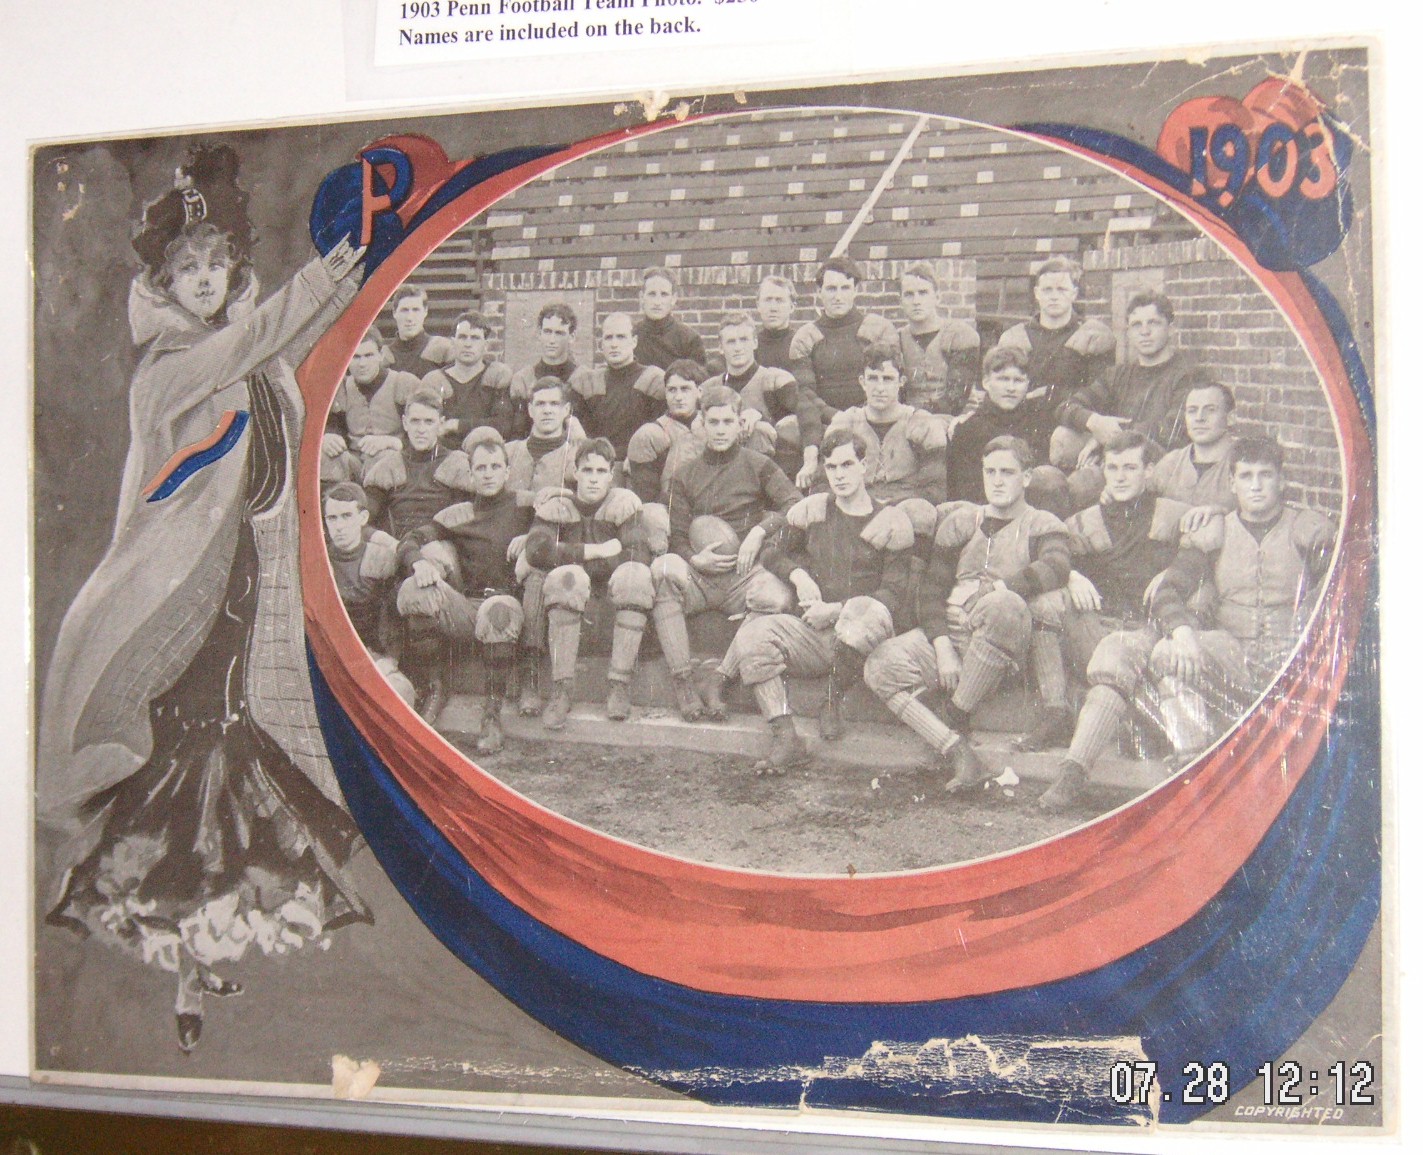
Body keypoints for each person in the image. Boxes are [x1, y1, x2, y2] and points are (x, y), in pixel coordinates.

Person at [40, 144, 369, 1052]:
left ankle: (201, 943)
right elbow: (258, 336)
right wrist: (327, 275)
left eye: (215, 265)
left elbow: (276, 354)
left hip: (243, 583)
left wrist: (350, 275)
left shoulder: (245, 356)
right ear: (162, 285)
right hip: (179, 601)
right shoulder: (171, 367)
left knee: (232, 759)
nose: (204, 280)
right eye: (185, 270)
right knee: (190, 772)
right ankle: (187, 965)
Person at [864, 436, 1071, 792]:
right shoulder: (963, 522)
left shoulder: (1041, 523)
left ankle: (955, 714)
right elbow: (932, 593)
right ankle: (956, 749)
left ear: (1026, 477)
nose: (997, 481)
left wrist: (999, 588)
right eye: (990, 472)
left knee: (1004, 605)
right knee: (880, 666)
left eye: (1008, 472)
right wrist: (942, 646)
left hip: (1004, 644)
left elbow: (1057, 565)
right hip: (955, 633)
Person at [720, 429, 914, 773]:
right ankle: (786, 736)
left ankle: (832, 699)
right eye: (831, 467)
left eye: (847, 465)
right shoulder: (815, 509)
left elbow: (894, 594)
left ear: (864, 466)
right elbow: (772, 551)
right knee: (752, 635)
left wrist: (836, 610)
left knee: (871, 612)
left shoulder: (890, 520)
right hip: (816, 634)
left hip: (863, 635)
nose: (839, 475)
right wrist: (799, 575)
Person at [1020, 432, 1191, 762]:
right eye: (1113, 468)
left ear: (1149, 471)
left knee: (1121, 658)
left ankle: (1137, 721)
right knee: (1045, 605)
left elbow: (1206, 540)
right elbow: (1051, 554)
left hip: (1146, 632)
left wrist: (1172, 572)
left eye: (1130, 467)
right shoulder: (1086, 521)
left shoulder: (1173, 514)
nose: (1120, 477)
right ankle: (1056, 711)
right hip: (1098, 629)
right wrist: (1071, 575)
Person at [649, 385, 799, 720]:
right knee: (663, 570)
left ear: (739, 424)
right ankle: (684, 682)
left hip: (742, 573)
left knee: (776, 596)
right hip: (700, 575)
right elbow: (676, 534)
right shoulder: (684, 474)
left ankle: (719, 678)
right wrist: (693, 558)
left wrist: (760, 531)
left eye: (727, 422)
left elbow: (793, 503)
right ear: (702, 424)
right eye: (713, 422)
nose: (720, 430)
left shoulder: (758, 464)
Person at [395, 431, 531, 744]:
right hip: (466, 606)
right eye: (481, 468)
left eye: (495, 467)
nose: (488, 474)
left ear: (507, 471)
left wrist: (532, 537)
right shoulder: (457, 515)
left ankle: (492, 714)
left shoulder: (525, 504)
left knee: (498, 612)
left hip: (507, 602)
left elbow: (556, 519)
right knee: (415, 591)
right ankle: (435, 688)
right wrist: (419, 563)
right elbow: (410, 540)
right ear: (470, 474)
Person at [524, 438, 656, 727]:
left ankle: (619, 684)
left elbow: (637, 553)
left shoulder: (623, 503)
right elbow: (535, 551)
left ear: (611, 474)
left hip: (613, 609)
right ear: (575, 472)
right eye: (587, 470)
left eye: (600, 471)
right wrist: (592, 552)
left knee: (635, 575)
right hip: (569, 610)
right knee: (568, 578)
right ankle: (562, 688)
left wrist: (572, 559)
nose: (594, 478)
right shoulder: (559, 505)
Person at [1057, 289, 1209, 508]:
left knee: (1080, 487)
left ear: (1170, 329)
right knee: (1052, 477)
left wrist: (1107, 437)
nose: (1144, 332)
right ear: (1128, 332)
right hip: (1116, 464)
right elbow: (1066, 406)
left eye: (1153, 323)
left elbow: (1171, 432)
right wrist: (1095, 423)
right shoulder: (1118, 374)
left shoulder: (1188, 376)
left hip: (1157, 468)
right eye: (1137, 325)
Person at [994, 257, 1115, 468]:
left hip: (1070, 428)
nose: (1054, 296)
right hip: (1022, 424)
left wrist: (1052, 394)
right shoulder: (1015, 337)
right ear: (1037, 293)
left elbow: (1100, 394)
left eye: (1061, 289)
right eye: (1047, 290)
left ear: (1074, 293)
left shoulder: (1092, 336)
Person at [788, 257, 897, 486]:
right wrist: (834, 416)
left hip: (872, 418)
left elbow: (888, 384)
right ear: (819, 292)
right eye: (831, 289)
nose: (838, 296)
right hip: (827, 422)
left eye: (845, 288)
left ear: (855, 290)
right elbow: (805, 394)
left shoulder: (878, 329)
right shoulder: (806, 337)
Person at [946, 345, 1071, 516]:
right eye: (1003, 379)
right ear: (986, 382)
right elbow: (962, 491)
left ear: (1028, 384)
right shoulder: (969, 429)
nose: (1011, 388)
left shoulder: (1038, 420)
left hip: (1033, 514)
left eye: (1018, 380)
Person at [323, 481, 416, 708]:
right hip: (327, 654)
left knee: (400, 692)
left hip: (370, 654)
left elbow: (394, 618)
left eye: (346, 516)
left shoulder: (381, 559)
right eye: (332, 518)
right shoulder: (320, 558)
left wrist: (390, 659)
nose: (339, 526)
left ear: (363, 518)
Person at [823, 342, 948, 503]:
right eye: (873, 379)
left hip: (907, 506)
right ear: (862, 382)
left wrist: (890, 507)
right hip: (856, 505)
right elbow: (822, 484)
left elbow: (935, 489)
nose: (880, 388)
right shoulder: (846, 423)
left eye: (887, 379)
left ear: (901, 381)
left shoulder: (921, 423)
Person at [706, 311, 810, 483]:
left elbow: (802, 419)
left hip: (766, 474)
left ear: (755, 342)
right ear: (721, 347)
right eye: (731, 342)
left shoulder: (773, 380)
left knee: (762, 430)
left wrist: (761, 417)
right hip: (720, 474)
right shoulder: (710, 388)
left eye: (743, 340)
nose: (738, 347)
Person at [323, 326, 431, 486]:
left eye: (369, 355)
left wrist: (392, 442)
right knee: (326, 455)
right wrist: (328, 436)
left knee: (384, 457)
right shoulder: (342, 387)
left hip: (394, 459)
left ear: (381, 355)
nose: (362, 363)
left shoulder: (403, 383)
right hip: (354, 460)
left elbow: (427, 431)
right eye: (355, 357)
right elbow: (333, 424)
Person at [362, 389, 471, 539]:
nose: (421, 430)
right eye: (415, 421)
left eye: (429, 422)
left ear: (440, 424)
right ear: (405, 423)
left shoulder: (457, 463)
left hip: (443, 544)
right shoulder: (388, 467)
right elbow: (361, 520)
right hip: (399, 545)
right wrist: (384, 540)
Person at [576, 311, 666, 459]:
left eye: (621, 337)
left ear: (634, 341)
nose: (614, 344)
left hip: (639, 464)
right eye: (608, 338)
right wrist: (572, 423)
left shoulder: (654, 380)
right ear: (601, 344)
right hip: (597, 465)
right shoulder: (589, 382)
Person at [896, 261, 980, 418]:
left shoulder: (959, 335)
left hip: (957, 418)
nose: (916, 301)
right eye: (909, 294)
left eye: (923, 293)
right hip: (910, 419)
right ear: (900, 301)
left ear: (937, 297)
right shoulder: (897, 339)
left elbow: (956, 399)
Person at [422, 311, 518, 445]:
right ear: (453, 342)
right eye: (462, 337)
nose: (468, 344)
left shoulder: (497, 375)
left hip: (486, 451)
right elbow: (427, 428)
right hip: (446, 453)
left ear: (486, 345)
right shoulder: (434, 380)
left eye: (475, 338)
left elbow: (503, 426)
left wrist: (457, 425)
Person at [1149, 380, 1239, 513]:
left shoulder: (1244, 462)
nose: (1199, 418)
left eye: (1210, 410)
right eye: (1192, 411)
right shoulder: (1171, 463)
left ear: (1230, 418)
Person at [504, 377, 586, 507]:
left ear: (566, 410)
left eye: (554, 404)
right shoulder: (508, 451)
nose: (547, 411)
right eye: (540, 404)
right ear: (530, 410)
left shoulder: (575, 456)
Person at [509, 301, 595, 404]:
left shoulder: (585, 379)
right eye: (547, 332)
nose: (552, 340)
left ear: (572, 336)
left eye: (559, 333)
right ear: (539, 333)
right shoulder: (524, 380)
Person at [633, 267, 705, 371]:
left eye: (664, 294)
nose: (657, 302)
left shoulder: (689, 340)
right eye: (652, 294)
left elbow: (698, 378)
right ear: (641, 297)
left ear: (673, 298)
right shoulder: (631, 336)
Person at [384, 283, 453, 376]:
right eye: (404, 310)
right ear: (394, 312)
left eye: (416, 310)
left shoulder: (443, 349)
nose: (410, 317)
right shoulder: (384, 357)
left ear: (425, 311)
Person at [755, 274, 798, 372]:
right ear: (758, 306)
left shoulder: (801, 344)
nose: (773, 308)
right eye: (767, 300)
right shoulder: (750, 346)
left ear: (792, 307)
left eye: (779, 300)